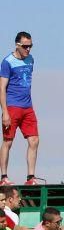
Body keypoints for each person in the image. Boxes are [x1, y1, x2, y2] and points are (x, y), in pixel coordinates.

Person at [0, 32, 39, 186]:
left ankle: (31, 177)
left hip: (27, 106)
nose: (28, 49)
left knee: (34, 140)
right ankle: (4, 176)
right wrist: (5, 112)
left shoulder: (30, 60)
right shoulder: (7, 62)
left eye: (30, 46)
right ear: (17, 45)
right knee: (8, 141)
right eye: (25, 46)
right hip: (12, 106)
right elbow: (2, 88)